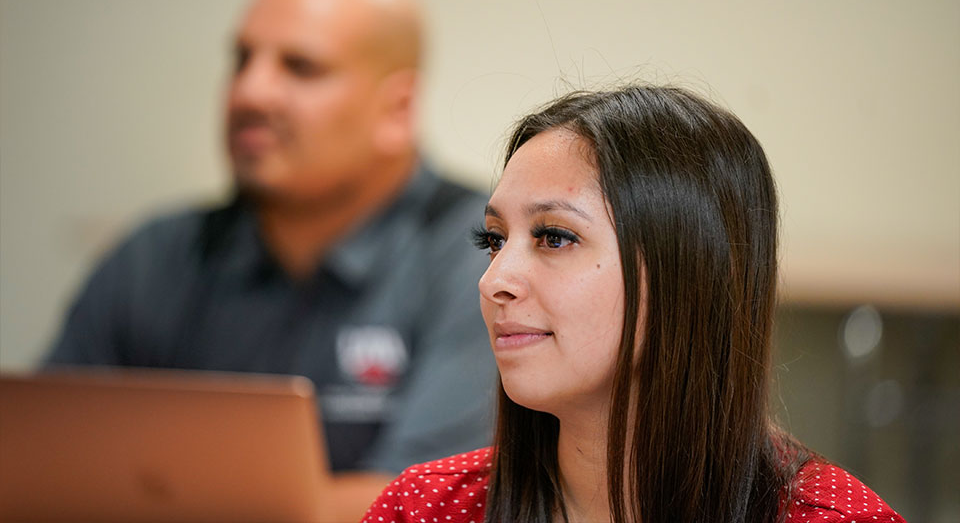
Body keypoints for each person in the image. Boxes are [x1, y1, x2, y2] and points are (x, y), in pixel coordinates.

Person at [44, 0, 495, 522]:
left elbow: (434, 505)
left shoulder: (485, 256)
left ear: (396, 109)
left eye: (300, 67)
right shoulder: (155, 255)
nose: (250, 93)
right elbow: (40, 467)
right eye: (241, 59)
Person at [363, 84, 906, 523]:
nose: (494, 280)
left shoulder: (834, 517)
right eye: (494, 240)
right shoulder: (425, 507)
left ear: (687, 269)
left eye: (554, 237)